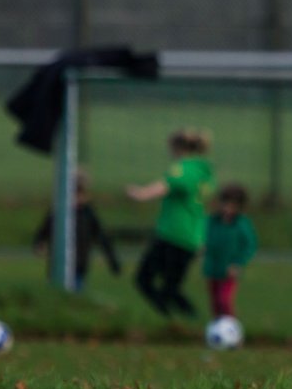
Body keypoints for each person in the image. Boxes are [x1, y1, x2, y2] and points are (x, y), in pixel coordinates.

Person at [127, 128, 215, 318]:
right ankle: (182, 321)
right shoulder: (204, 171)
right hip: (191, 236)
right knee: (170, 288)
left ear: (178, 147)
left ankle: (183, 319)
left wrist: (142, 194)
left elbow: (170, 184)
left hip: (173, 235)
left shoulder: (184, 168)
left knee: (145, 280)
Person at [32, 170, 121, 289]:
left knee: (74, 294)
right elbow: (44, 231)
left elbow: (102, 238)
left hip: (79, 266)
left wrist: (112, 261)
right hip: (58, 266)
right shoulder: (59, 211)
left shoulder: (88, 214)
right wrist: (39, 244)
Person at [202, 183, 258, 320]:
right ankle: (218, 329)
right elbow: (202, 237)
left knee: (224, 300)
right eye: (225, 204)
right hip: (213, 268)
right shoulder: (212, 222)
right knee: (215, 303)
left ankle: (233, 330)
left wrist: (238, 263)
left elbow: (250, 246)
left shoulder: (241, 224)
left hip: (230, 270)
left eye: (232, 206)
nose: (227, 209)